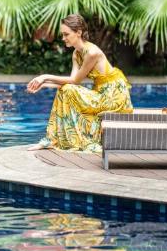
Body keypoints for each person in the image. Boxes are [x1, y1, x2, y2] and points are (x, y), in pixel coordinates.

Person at [26, 14, 133, 153]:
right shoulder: (77, 53)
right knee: (66, 90)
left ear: (79, 32)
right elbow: (71, 83)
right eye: (63, 34)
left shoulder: (92, 52)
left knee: (68, 90)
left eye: (66, 34)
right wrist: (44, 84)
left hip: (113, 97)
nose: (63, 38)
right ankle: (50, 139)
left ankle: (60, 140)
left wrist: (45, 77)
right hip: (99, 93)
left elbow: (75, 81)